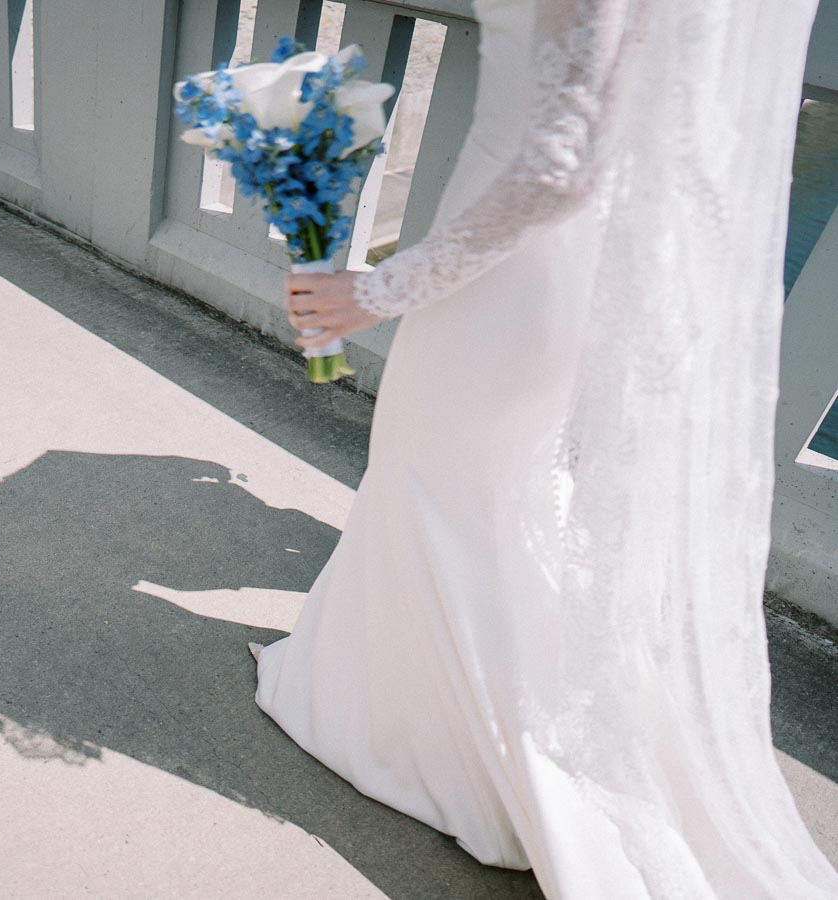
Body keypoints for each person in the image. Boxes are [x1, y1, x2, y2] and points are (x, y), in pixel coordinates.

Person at [248, 0, 838, 896]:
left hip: (510, 273)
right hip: (520, 256)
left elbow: (562, 167)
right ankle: (418, 717)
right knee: (466, 497)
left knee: (445, 496)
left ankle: (483, 758)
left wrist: (382, 289)